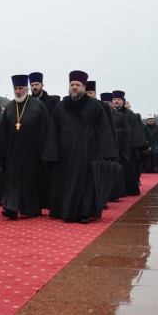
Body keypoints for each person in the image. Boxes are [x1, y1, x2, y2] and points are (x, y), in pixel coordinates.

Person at [43, 71, 115, 223]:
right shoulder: (60, 106)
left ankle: (84, 213)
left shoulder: (95, 105)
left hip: (87, 151)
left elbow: (103, 129)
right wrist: (52, 153)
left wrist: (104, 152)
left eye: (77, 85)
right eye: (72, 85)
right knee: (66, 182)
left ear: (84, 87)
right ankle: (67, 212)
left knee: (86, 184)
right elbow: (53, 131)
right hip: (65, 153)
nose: (74, 87)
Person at [0, 75, 50, 219]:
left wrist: (45, 152)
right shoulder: (9, 107)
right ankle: (11, 207)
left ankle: (31, 208)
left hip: (33, 151)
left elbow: (45, 130)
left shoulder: (38, 106)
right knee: (12, 179)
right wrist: (2, 152)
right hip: (13, 151)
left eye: (20, 88)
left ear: (26, 89)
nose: (18, 91)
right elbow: (4, 132)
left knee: (30, 181)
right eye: (15, 89)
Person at [112, 91, 147, 195]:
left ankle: (129, 190)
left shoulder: (129, 114)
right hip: (115, 145)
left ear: (123, 101)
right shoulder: (110, 113)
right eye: (114, 99)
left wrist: (136, 144)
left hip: (128, 146)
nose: (116, 101)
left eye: (118, 99)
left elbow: (135, 129)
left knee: (129, 170)